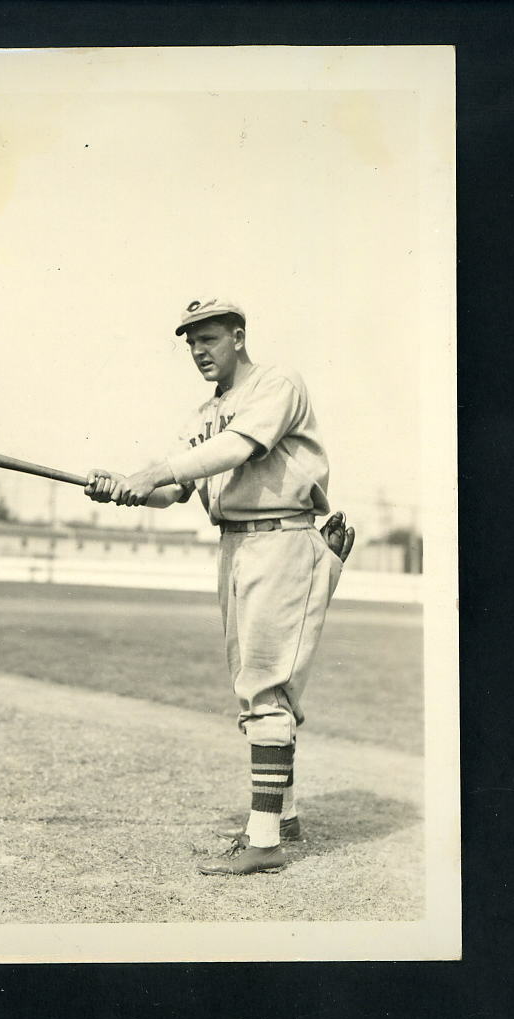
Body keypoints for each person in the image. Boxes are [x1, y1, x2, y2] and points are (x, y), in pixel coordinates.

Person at [84, 297, 354, 875]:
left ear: (238, 335)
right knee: (259, 686)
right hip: (236, 543)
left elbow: (235, 449)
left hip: (283, 537)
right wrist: (120, 488)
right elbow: (170, 489)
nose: (198, 352)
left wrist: (156, 472)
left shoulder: (277, 383)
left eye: (207, 339)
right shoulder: (205, 412)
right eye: (190, 343)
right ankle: (282, 818)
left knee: (265, 688)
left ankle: (264, 844)